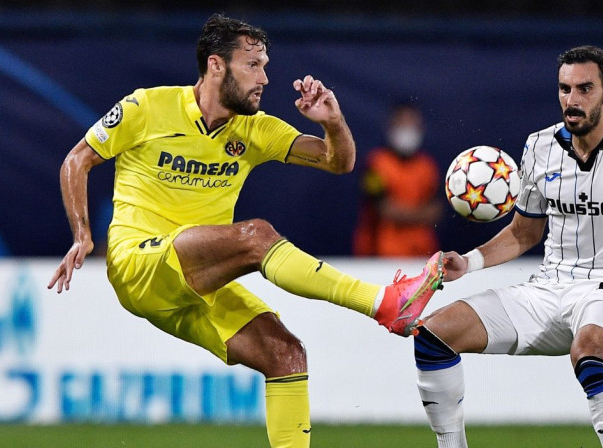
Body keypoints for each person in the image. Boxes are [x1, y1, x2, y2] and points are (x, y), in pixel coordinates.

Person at [47, 14, 444, 448]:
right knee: (254, 236)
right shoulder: (146, 107)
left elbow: (339, 161)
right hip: (140, 261)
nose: (265, 78)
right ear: (216, 65)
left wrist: (331, 121)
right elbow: (77, 160)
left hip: (199, 281)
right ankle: (385, 303)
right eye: (252, 65)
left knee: (286, 355)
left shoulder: (255, 130)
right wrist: (82, 235)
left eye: (266, 65)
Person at [411, 45, 603, 447]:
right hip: (547, 288)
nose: (572, 100)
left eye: (584, 89)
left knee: (589, 352)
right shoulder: (538, 147)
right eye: (565, 89)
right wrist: (470, 262)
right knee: (432, 333)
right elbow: (523, 233)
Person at [352, 102, 443, 257]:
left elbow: (436, 211)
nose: (407, 130)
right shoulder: (376, 163)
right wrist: (420, 215)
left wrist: (403, 213)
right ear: (391, 127)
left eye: (411, 124)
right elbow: (383, 209)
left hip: (422, 252)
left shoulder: (428, 166)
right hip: (380, 252)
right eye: (402, 124)